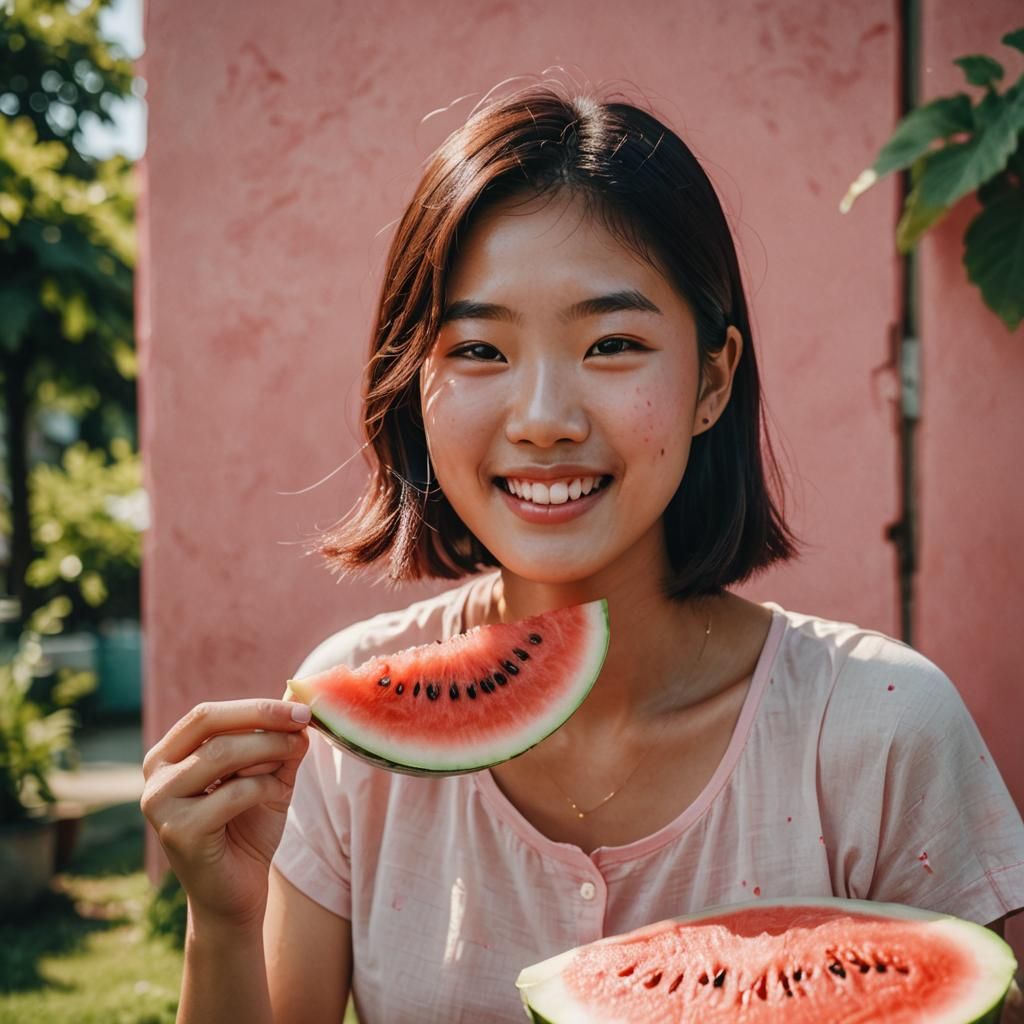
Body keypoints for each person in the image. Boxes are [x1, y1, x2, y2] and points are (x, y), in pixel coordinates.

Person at [141, 83, 1024, 1023]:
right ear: (414, 385)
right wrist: (222, 924)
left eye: (611, 344)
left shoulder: (883, 731)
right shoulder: (345, 736)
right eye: (479, 351)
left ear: (712, 381)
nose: (544, 420)